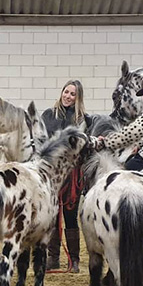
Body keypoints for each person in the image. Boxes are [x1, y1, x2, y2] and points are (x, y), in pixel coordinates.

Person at [42, 80, 92, 273]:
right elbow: (41, 140)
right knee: (52, 217)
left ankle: (74, 260)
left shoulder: (82, 120)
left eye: (73, 94)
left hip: (71, 175)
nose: (68, 96)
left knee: (70, 216)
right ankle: (53, 258)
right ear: (61, 92)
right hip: (51, 173)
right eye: (66, 92)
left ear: (78, 98)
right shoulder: (48, 115)